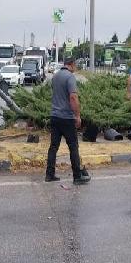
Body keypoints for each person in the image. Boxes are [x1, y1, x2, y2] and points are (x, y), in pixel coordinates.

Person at [45, 57, 89, 185]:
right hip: (67, 118)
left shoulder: (55, 76)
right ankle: (77, 176)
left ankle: (49, 174)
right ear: (72, 65)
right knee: (73, 146)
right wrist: (77, 116)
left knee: (53, 147)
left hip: (55, 116)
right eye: (75, 65)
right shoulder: (70, 77)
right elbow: (73, 97)